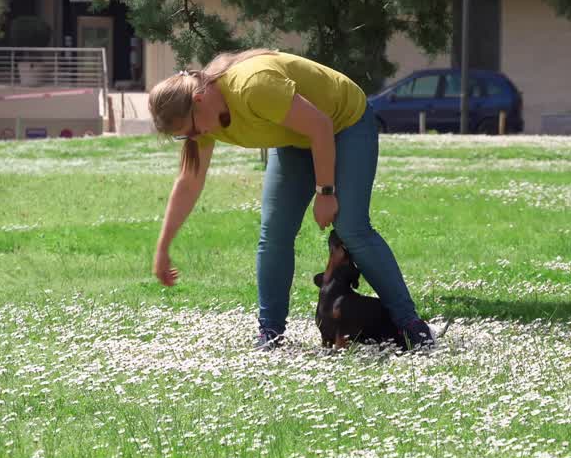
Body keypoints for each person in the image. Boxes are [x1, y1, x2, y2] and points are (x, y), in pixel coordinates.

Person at [148, 49, 433, 350]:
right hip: (294, 137)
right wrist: (163, 247)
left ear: (198, 100)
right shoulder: (203, 120)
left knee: (351, 227)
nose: (194, 137)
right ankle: (270, 333)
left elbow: (320, 125)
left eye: (190, 130)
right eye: (185, 136)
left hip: (343, 121)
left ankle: (411, 325)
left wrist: (326, 192)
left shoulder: (253, 86)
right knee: (274, 232)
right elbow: (189, 182)